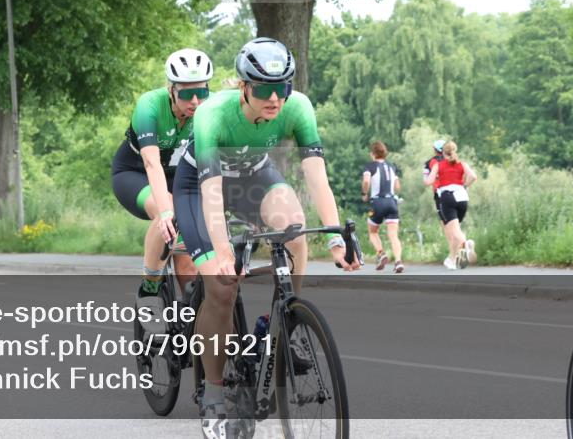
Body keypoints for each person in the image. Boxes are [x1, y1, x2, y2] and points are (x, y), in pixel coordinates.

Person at [172, 37, 361, 438]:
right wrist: (222, 251)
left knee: (295, 230)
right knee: (221, 285)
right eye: (263, 89)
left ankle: (286, 325)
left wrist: (336, 238)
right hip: (199, 186)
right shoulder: (213, 115)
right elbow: (210, 193)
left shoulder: (300, 107)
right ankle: (214, 394)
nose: (275, 98)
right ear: (244, 86)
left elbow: (317, 178)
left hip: (252, 178)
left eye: (283, 88)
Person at [111, 48, 212, 307]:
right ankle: (150, 289)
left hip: (180, 176)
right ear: (171, 90)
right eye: (187, 94)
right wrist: (166, 211)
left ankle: (191, 314)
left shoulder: (209, 111)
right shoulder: (150, 106)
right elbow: (152, 163)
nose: (195, 102)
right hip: (136, 173)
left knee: (190, 256)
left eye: (201, 93)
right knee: (168, 211)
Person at [423, 140, 477, 270]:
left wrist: (428, 175)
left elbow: (428, 182)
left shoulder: (439, 165)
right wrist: (464, 186)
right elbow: (473, 177)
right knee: (456, 227)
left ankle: (466, 245)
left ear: (442, 152)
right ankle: (452, 260)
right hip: (462, 197)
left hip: (448, 197)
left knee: (454, 230)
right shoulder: (462, 164)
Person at [361, 141, 404, 272]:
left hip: (378, 203)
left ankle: (381, 253)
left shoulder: (370, 166)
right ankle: (398, 261)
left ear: (372, 154)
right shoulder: (391, 166)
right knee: (393, 235)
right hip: (392, 202)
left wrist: (364, 193)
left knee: (373, 232)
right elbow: (397, 186)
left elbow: (366, 181)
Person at [423, 139, 446, 213]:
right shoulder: (454, 160)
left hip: (440, 192)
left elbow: (426, 181)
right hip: (457, 192)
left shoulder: (430, 162)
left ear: (435, 150)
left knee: (444, 220)